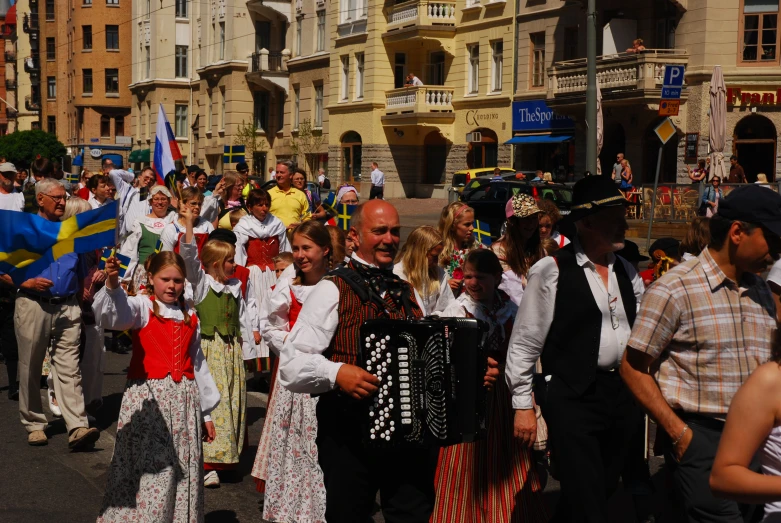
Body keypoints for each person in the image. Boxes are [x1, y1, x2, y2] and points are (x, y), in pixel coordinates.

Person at [620, 184, 781, 522]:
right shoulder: (674, 288)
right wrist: (680, 434)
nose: (778, 253)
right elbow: (633, 368)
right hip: (703, 439)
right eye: (773, 240)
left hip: (757, 442)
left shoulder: (762, 291)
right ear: (738, 232)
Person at [278, 200, 442, 522]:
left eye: (395, 232)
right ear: (355, 235)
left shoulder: (406, 289)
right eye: (379, 231)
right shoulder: (332, 288)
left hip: (409, 439)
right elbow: (291, 365)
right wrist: (336, 372)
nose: (389, 239)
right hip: (349, 434)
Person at [507, 175, 645, 522]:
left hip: (621, 394)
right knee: (587, 495)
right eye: (614, 218)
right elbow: (524, 343)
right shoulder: (551, 270)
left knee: (602, 487)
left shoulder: (627, 270)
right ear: (585, 223)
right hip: (573, 396)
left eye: (622, 216)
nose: (623, 225)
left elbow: (642, 333)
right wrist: (523, 404)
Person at [93, 251, 219, 522]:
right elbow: (115, 318)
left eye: (178, 280)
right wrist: (113, 285)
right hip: (148, 403)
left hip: (184, 402)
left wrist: (206, 414)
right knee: (153, 471)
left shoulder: (190, 315)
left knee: (181, 468)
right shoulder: (142, 306)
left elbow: (197, 366)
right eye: (165, 279)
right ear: (151, 278)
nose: (172, 285)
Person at [432, 249, 547, 523]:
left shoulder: (511, 310)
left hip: (507, 398)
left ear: (497, 277)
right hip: (469, 403)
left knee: (508, 462)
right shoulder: (456, 311)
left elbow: (526, 354)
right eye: (468, 276)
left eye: (480, 277)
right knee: (466, 468)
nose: (472, 283)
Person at [10, 178, 100, 448]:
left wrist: (84, 300)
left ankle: (78, 426)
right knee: (30, 366)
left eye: (65, 197)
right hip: (33, 303)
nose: (63, 201)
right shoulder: (23, 230)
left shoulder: (72, 232)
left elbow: (82, 269)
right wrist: (24, 281)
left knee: (70, 369)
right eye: (57, 197)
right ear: (40, 199)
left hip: (68, 305)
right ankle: (35, 423)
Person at [252, 221, 333, 522]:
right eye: (296, 248)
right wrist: (293, 344)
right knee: (296, 446)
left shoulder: (337, 282)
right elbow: (271, 323)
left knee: (322, 447)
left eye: (306, 248)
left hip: (329, 375)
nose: (299, 255)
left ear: (325, 250)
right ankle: (292, 509)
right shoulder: (291, 279)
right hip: (298, 377)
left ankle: (322, 509)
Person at [180, 208, 255, 488]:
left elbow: (244, 317)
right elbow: (189, 257)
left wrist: (248, 348)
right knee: (214, 402)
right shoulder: (201, 284)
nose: (234, 266)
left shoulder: (235, 285)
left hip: (231, 351)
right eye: (229, 262)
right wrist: (188, 224)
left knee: (233, 401)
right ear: (213, 264)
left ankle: (227, 457)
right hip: (209, 350)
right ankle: (208, 461)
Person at [118, 185, 177, 292]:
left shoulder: (174, 220)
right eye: (156, 199)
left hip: (168, 273)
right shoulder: (140, 222)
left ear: (169, 202)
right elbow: (129, 251)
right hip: (144, 273)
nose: (160, 202)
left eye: (163, 199)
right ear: (150, 202)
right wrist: (123, 279)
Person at [491, 194, 545, 305]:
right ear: (512, 221)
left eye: (534, 218)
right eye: (525, 219)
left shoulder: (540, 250)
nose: (531, 224)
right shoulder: (497, 251)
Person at [393, 225, 455, 316]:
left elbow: (448, 307)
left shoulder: (438, 272)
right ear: (419, 254)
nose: (436, 262)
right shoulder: (397, 275)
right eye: (433, 256)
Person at [0, 162, 23, 401]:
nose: (8, 178)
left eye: (11, 175)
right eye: (5, 175)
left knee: (10, 327)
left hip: (14, 260)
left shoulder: (20, 197)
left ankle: (14, 383)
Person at [438, 201, 483, 295]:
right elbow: (427, 281)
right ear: (452, 225)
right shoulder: (439, 250)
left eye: (472, 223)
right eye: (467, 224)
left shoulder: (476, 247)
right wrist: (444, 285)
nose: (472, 228)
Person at [160, 187, 215, 253]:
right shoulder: (171, 229)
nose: (197, 207)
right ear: (181, 204)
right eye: (193, 203)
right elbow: (166, 257)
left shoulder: (207, 226)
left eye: (199, 204)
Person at [269, 160, 312, 229]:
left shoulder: (300, 195)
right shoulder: (268, 194)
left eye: (282, 172)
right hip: (274, 237)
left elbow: (307, 217)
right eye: (277, 172)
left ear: (290, 175)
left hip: (294, 237)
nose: (278, 175)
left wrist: (300, 225)